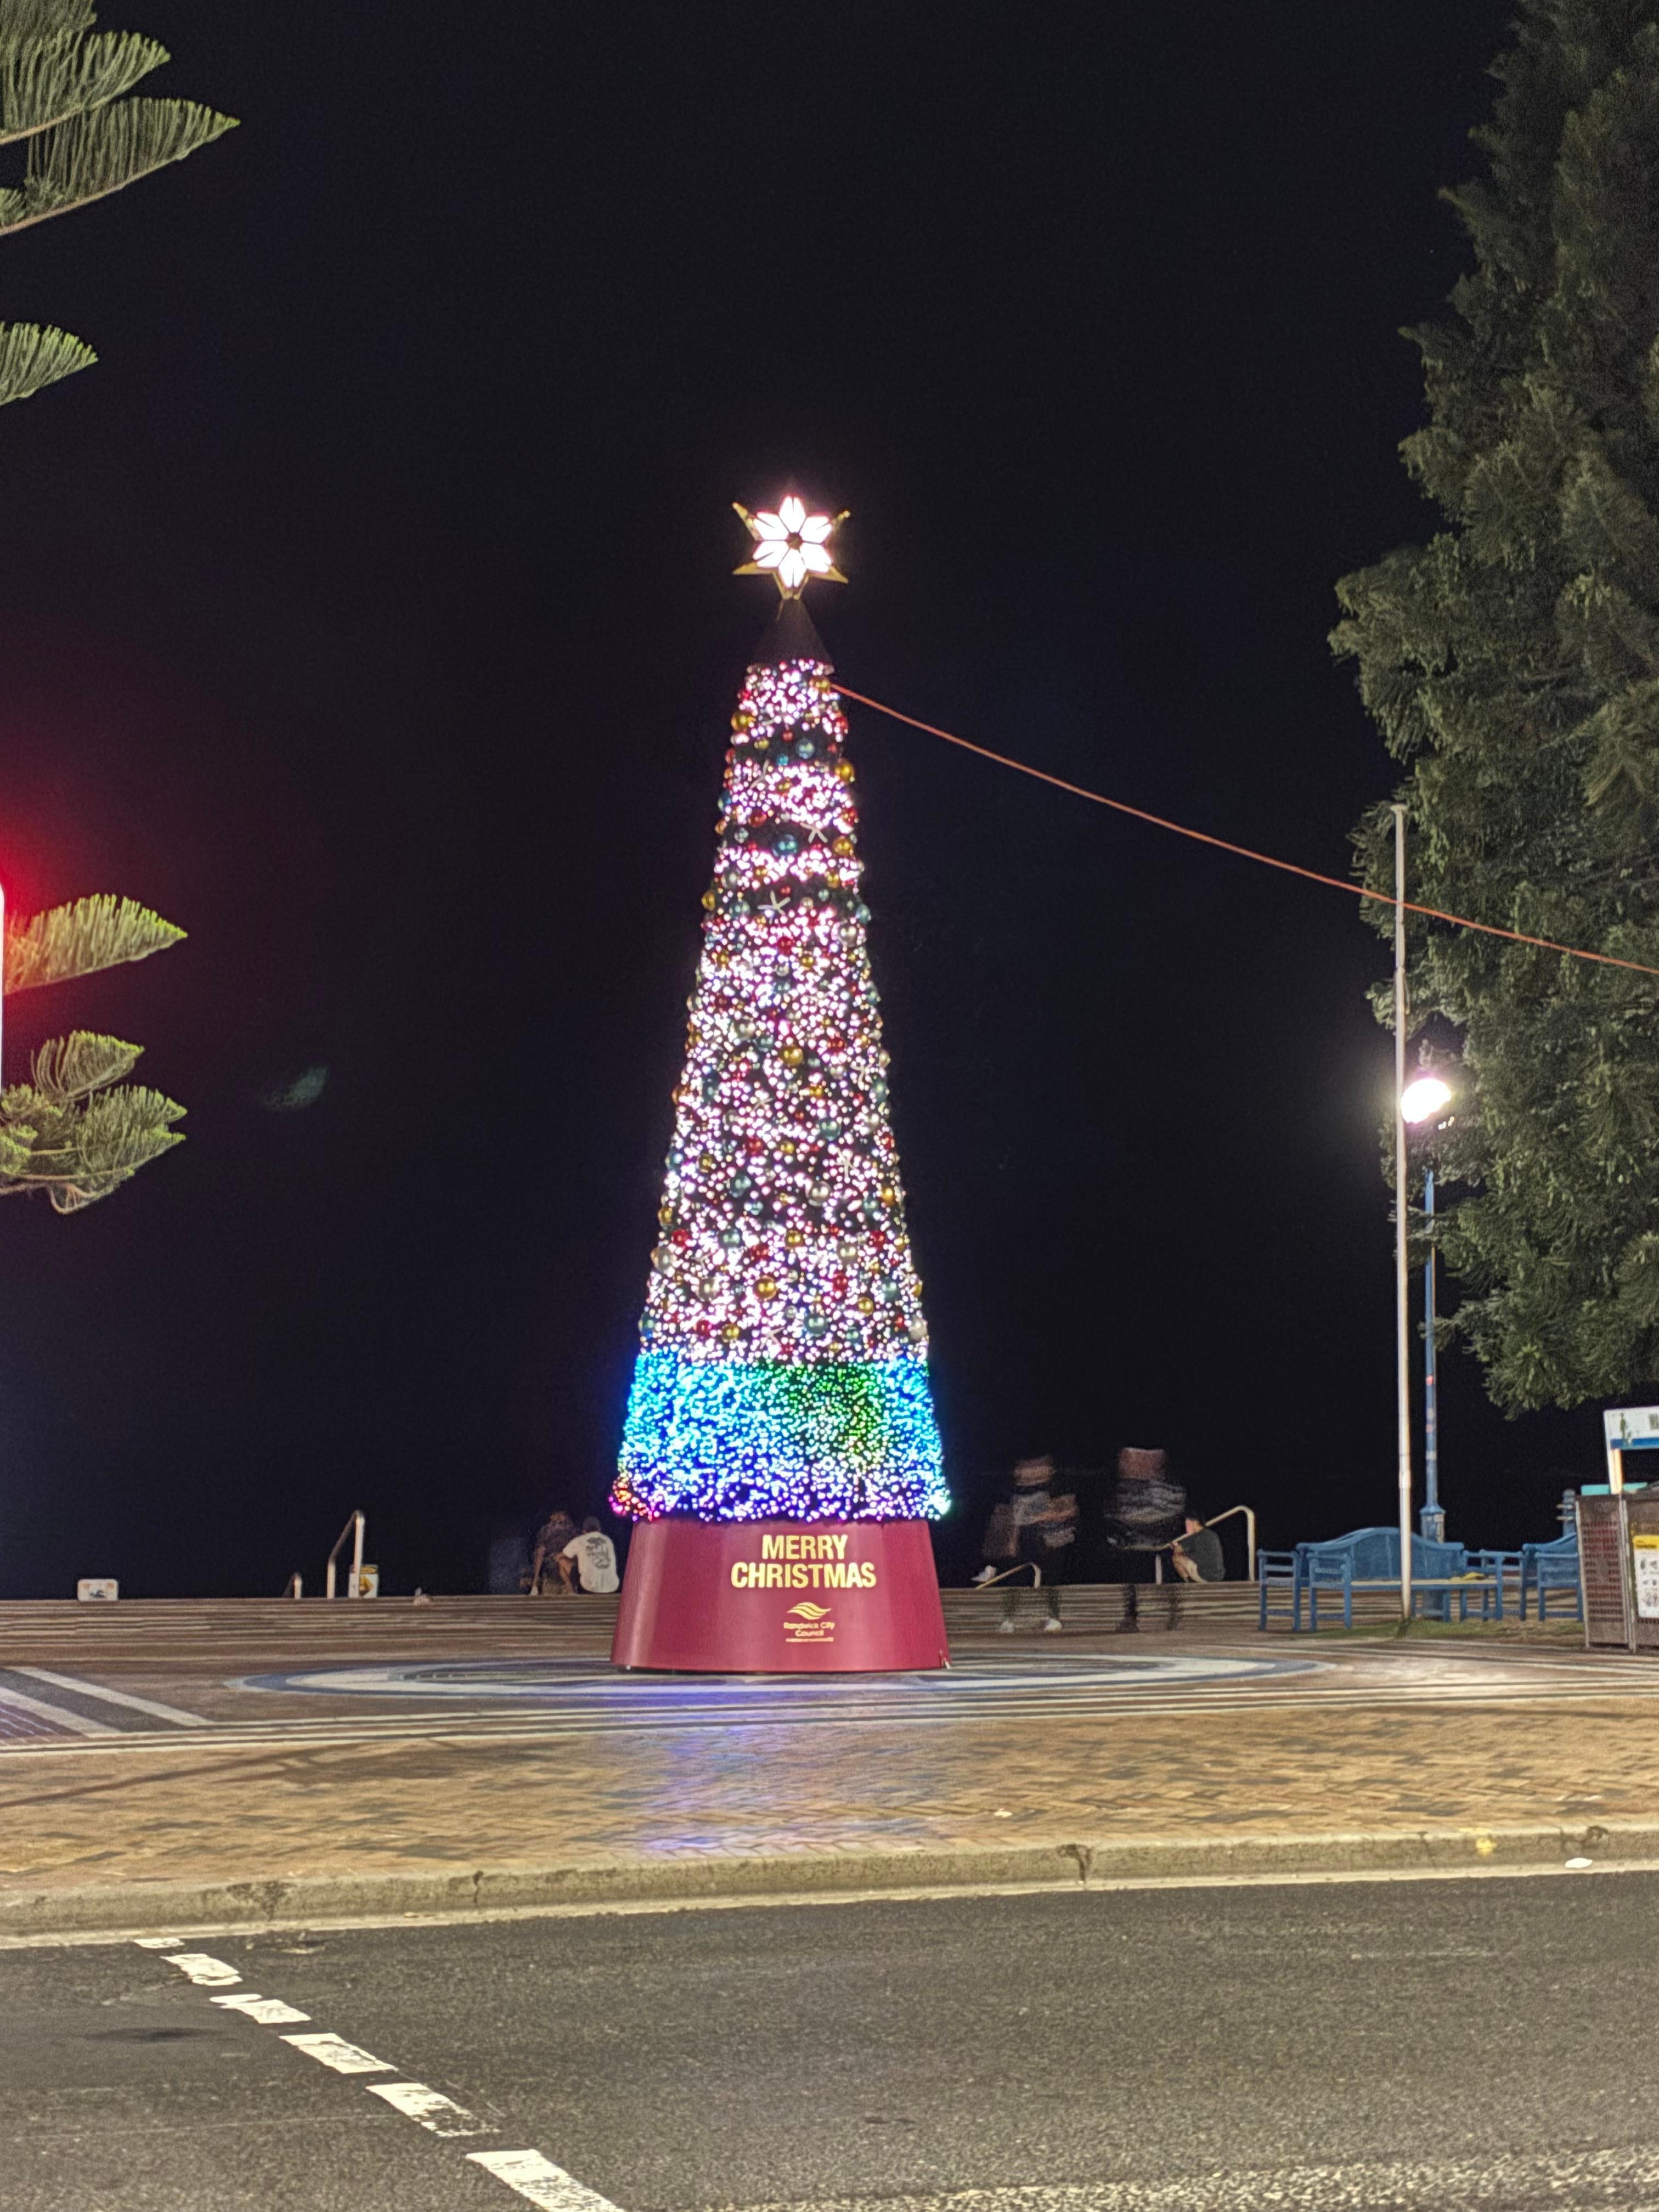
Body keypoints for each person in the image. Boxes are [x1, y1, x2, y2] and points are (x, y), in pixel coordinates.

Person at [1107, 1446, 1185, 1630]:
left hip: (1159, 1541)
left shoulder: (1165, 1487)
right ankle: (1131, 1617)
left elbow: (1174, 1509)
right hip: (1134, 1543)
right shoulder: (1126, 1488)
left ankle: (1173, 1613)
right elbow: (1117, 1514)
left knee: (1167, 1576)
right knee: (1131, 1579)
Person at [998, 1456, 1077, 1633]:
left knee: (1051, 1580)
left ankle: (1053, 1617)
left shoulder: (1058, 1486)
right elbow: (1016, 1519)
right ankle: (1009, 1618)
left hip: (1052, 1538)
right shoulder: (1019, 1491)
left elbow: (1070, 1510)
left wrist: (1045, 1516)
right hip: (1028, 1538)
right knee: (1018, 1579)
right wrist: (1013, 1541)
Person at [561, 1516, 620, 1595]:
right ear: (599, 1530)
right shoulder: (608, 1541)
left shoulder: (580, 1540)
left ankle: (572, 1593)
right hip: (612, 1588)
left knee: (562, 1561)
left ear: (584, 1531)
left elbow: (563, 1555)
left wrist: (554, 1557)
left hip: (588, 1588)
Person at [528, 1506, 577, 1596]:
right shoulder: (573, 1531)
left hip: (551, 1572)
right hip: (569, 1574)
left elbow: (539, 1554)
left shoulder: (546, 1530)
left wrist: (535, 1583)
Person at [1171, 1513, 1226, 1585]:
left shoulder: (1194, 1537)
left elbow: (1177, 1550)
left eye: (1187, 1525)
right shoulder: (1212, 1535)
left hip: (1206, 1576)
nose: (1186, 1529)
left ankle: (1190, 1583)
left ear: (1194, 1523)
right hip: (1219, 1576)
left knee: (1176, 1557)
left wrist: (1175, 1546)